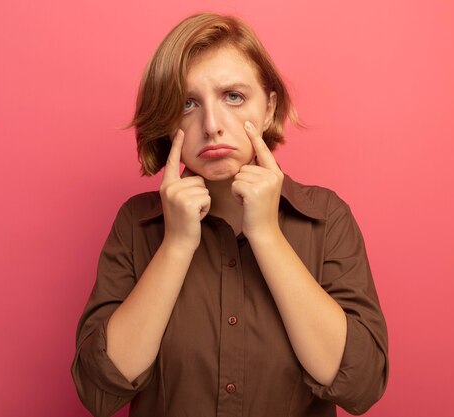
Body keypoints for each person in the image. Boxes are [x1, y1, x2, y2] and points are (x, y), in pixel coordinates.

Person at [72, 12, 388, 417]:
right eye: (187, 104)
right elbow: (98, 392)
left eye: (233, 97)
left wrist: (268, 235)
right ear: (167, 123)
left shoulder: (327, 218)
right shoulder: (136, 225)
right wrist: (177, 244)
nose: (212, 125)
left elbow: (361, 385)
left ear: (269, 107)